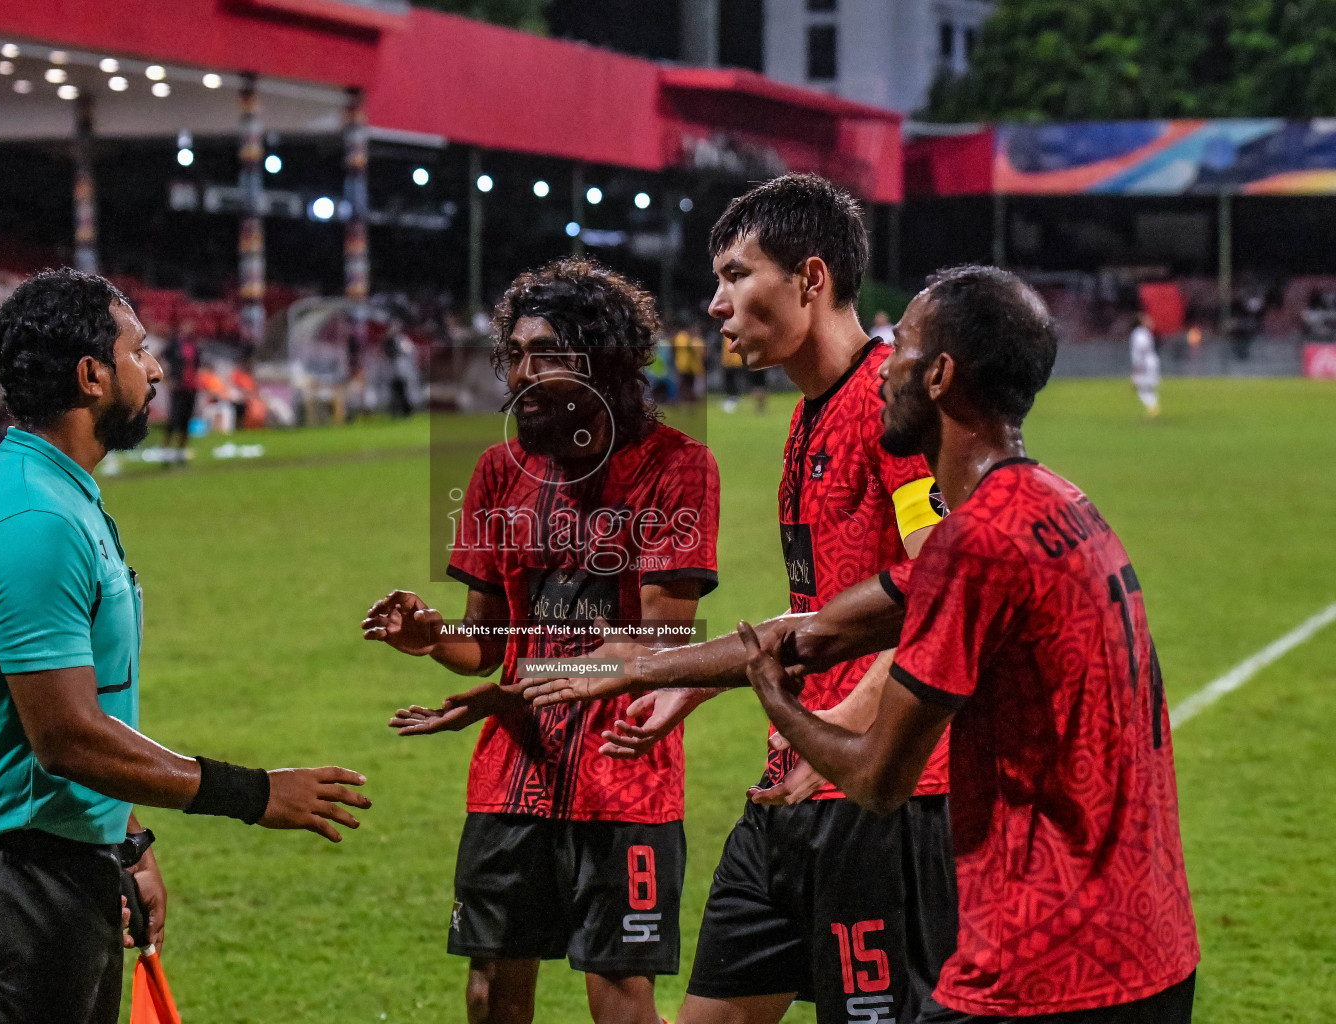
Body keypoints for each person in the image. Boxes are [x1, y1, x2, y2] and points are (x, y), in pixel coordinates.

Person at [539, 265, 1202, 1023]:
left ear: (942, 376)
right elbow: (824, 630)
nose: (885, 366)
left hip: (1052, 966)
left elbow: (877, 778)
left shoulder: (972, 543)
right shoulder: (1055, 502)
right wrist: (654, 667)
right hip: (1146, 943)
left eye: (904, 349)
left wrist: (786, 714)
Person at [527, 175, 954, 1024]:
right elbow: (825, 607)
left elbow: (943, 595)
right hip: (788, 787)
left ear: (811, 279)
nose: (715, 303)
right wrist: (689, 683)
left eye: (735, 274)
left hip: (880, 800)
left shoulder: (888, 407)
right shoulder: (810, 413)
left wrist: (845, 738)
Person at [0, 268, 372, 1024]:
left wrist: (125, 842)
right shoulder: (36, 517)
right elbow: (65, 735)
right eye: (142, 351)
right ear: (92, 375)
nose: (158, 368)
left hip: (59, 862)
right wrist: (254, 793)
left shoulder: (62, 490)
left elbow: (92, 708)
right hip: (13, 883)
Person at [361, 258, 720, 1024]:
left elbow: (663, 638)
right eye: (516, 355)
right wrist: (431, 636)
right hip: (512, 775)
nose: (523, 375)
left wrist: (519, 681)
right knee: (490, 989)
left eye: (547, 355)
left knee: (619, 998)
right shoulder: (497, 472)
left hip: (624, 773)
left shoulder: (677, 469)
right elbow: (483, 641)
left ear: (606, 362)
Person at [161, 322, 200, 460]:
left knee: (186, 421)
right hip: (178, 387)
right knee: (173, 419)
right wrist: (167, 379)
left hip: (191, 388)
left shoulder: (195, 347)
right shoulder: (175, 346)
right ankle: (166, 452)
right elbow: (160, 357)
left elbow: (196, 366)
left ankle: (181, 452)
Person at [1129, 313, 1161, 418]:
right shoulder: (1142, 333)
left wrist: (1137, 369)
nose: (1149, 320)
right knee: (1147, 388)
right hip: (1149, 363)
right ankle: (1153, 408)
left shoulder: (1139, 333)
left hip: (1145, 364)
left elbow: (1140, 349)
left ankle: (1153, 408)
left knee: (1143, 389)